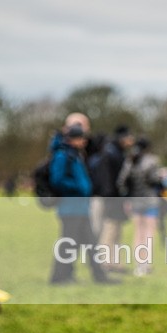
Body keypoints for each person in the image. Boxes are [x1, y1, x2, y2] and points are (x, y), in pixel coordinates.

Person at [48, 116, 118, 285]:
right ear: (73, 139)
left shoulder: (76, 155)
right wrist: (78, 188)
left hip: (81, 207)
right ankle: (59, 277)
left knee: (90, 244)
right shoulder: (62, 155)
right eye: (81, 139)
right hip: (70, 207)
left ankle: (99, 276)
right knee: (67, 244)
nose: (84, 142)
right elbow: (57, 179)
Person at [117, 138, 163, 276]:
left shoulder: (129, 161)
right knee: (149, 233)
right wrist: (161, 176)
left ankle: (138, 265)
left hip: (135, 201)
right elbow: (154, 179)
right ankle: (146, 264)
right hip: (150, 201)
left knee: (138, 233)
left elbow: (121, 181)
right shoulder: (152, 161)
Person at [93, 125, 135, 274]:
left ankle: (115, 263)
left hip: (117, 197)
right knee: (109, 229)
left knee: (116, 230)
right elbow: (107, 179)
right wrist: (110, 197)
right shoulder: (110, 153)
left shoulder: (117, 152)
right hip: (111, 198)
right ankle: (106, 262)